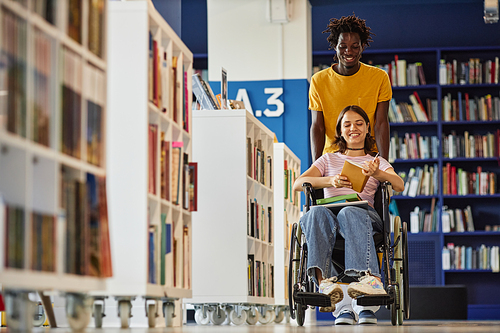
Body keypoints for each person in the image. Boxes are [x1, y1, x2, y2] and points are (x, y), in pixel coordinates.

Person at [293, 105, 404, 325]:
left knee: (350, 211)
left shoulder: (376, 161)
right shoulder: (327, 160)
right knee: (314, 213)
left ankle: (369, 285)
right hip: (329, 217)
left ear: (367, 128)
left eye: (359, 123)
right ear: (340, 131)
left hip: (364, 216)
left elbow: (399, 185)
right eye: (347, 124)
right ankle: (326, 286)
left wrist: (377, 174)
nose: (353, 128)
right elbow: (298, 183)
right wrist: (329, 181)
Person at [309, 14, 392, 162]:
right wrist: (316, 167)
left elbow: (381, 124)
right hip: (333, 158)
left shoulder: (379, 77)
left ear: (362, 47)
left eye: (355, 46)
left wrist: (384, 166)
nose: (349, 51)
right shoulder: (318, 80)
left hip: (369, 157)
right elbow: (318, 127)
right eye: (343, 46)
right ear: (335, 46)